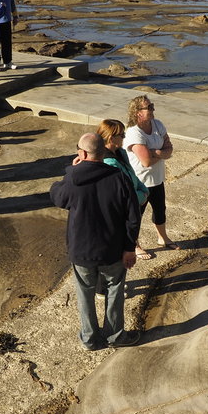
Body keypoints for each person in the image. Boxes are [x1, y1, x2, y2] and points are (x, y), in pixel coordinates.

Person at [50, 132, 141, 350]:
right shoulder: (119, 177)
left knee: (85, 294)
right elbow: (133, 216)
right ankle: (115, 335)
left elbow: (58, 197)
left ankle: (90, 338)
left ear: (81, 153)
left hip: (82, 250)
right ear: (102, 151)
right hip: (113, 248)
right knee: (114, 291)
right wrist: (130, 248)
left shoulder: (73, 177)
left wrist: (70, 171)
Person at [123, 94, 176, 260]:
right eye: (149, 107)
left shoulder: (157, 124)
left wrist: (156, 152)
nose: (153, 109)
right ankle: (134, 245)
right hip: (140, 182)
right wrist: (161, 153)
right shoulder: (133, 133)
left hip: (157, 178)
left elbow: (169, 148)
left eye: (152, 106)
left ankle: (163, 238)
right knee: (135, 216)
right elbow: (146, 161)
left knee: (160, 210)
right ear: (138, 112)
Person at [97, 119, 149, 207]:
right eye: (122, 135)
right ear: (111, 138)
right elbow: (122, 194)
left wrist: (144, 191)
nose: (124, 137)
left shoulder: (120, 152)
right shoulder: (109, 164)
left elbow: (132, 175)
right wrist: (141, 197)